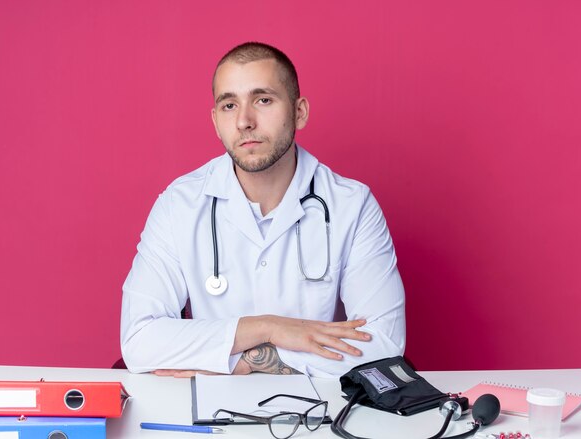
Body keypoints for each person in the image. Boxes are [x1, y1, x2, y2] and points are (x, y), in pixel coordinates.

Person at [120, 42, 405, 378]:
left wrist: (235, 363)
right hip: (205, 419)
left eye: (263, 100)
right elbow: (139, 339)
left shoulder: (352, 205)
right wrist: (270, 327)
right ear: (215, 121)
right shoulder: (179, 204)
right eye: (229, 105)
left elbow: (384, 344)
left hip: (316, 415)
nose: (244, 121)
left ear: (300, 112)